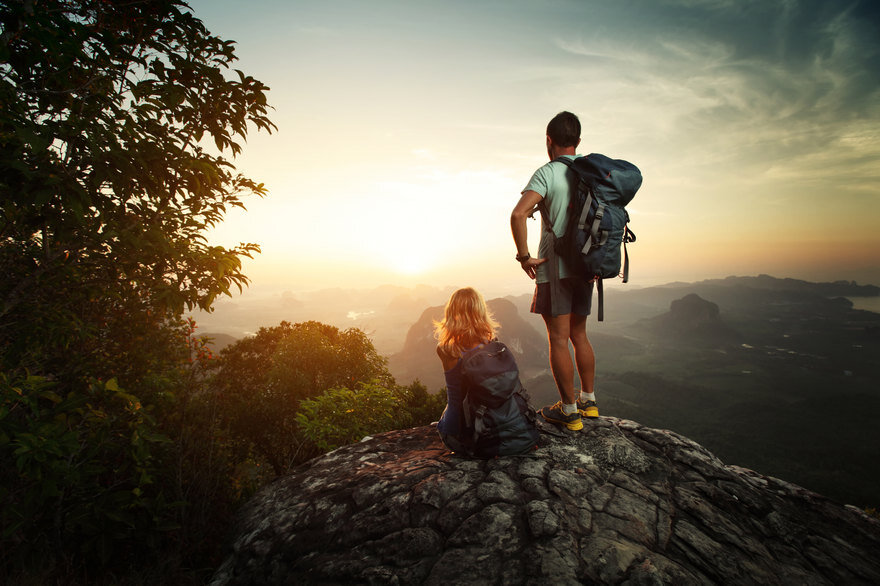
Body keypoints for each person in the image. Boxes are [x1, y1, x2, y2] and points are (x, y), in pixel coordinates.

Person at [510, 111, 598, 431]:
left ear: (549, 141)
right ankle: (589, 402)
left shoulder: (547, 173)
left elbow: (517, 215)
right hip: (586, 267)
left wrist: (524, 257)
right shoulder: (591, 173)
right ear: (577, 142)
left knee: (558, 339)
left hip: (556, 268)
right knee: (579, 334)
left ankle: (570, 411)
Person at [433, 287, 537, 455]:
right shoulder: (493, 345)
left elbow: (455, 399)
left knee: (448, 412)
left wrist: (447, 429)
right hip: (519, 430)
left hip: (482, 437)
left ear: (451, 312)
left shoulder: (448, 350)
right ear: (481, 311)